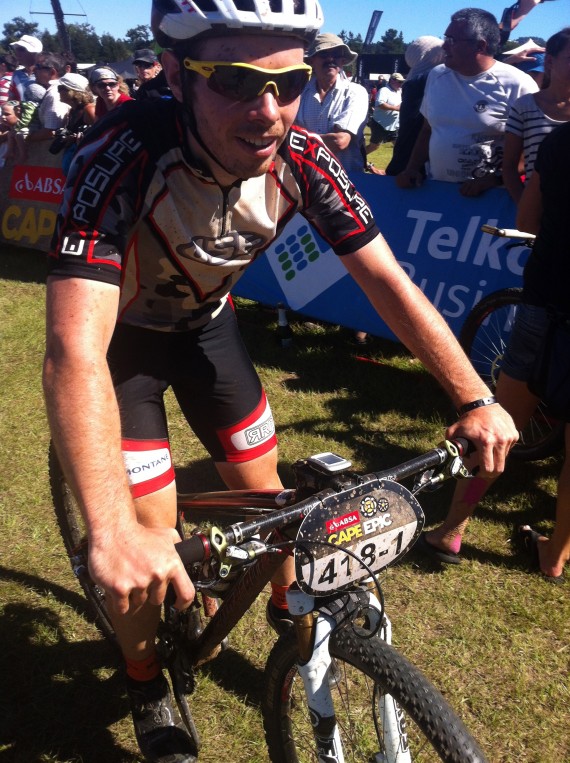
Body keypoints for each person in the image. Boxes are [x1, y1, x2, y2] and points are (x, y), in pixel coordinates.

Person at [43, 1, 518, 761]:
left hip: (207, 329)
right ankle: (144, 676)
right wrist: (111, 528)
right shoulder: (124, 152)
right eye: (234, 81)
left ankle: (287, 615)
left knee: (275, 500)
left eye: (289, 81)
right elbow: (73, 348)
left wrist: (474, 395)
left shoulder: (303, 154)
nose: (267, 111)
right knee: (147, 542)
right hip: (121, 346)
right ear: (175, 74)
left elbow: (386, 281)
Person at [419, 121, 570, 584]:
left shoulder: (562, 139)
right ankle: (556, 556)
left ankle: (451, 530)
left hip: (551, 299)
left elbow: (527, 220)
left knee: (501, 420)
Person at [396, 8, 538, 197]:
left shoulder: (517, 84)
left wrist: (495, 179)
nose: (444, 46)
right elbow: (428, 129)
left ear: (480, 46)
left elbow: (534, 146)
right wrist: (412, 168)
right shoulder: (437, 76)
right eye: (446, 38)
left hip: (492, 196)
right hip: (438, 190)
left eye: (452, 40)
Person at [503, 28, 570, 204]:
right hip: (543, 214)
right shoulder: (525, 106)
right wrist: (525, 208)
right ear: (549, 62)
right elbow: (510, 167)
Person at [295, 33, 369, 175]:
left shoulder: (356, 93)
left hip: (345, 181)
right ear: (311, 61)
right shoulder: (299, 94)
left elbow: (340, 141)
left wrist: (298, 140)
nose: (330, 59)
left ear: (342, 61)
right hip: (305, 178)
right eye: (323, 54)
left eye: (336, 54)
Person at [385, 37, 445, 177]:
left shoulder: (413, 82)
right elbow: (419, 129)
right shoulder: (425, 81)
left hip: (406, 160)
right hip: (416, 164)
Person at [53, 72, 96, 174]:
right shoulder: (73, 111)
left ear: (71, 92)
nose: (57, 91)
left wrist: (75, 138)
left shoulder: (89, 110)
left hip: (85, 167)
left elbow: (98, 136)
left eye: (60, 88)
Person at [366, 72, 404, 154]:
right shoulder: (384, 90)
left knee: (400, 147)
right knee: (374, 146)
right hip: (380, 124)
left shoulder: (399, 92)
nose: (401, 84)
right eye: (399, 82)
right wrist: (397, 108)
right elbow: (381, 104)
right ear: (392, 81)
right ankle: (358, 159)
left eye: (402, 82)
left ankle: (399, 166)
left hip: (393, 126)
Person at [8, 34, 42, 101]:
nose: (17, 53)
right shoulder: (16, 75)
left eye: (21, 49)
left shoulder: (45, 73)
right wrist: (9, 106)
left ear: (34, 53)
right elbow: (12, 100)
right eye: (16, 49)